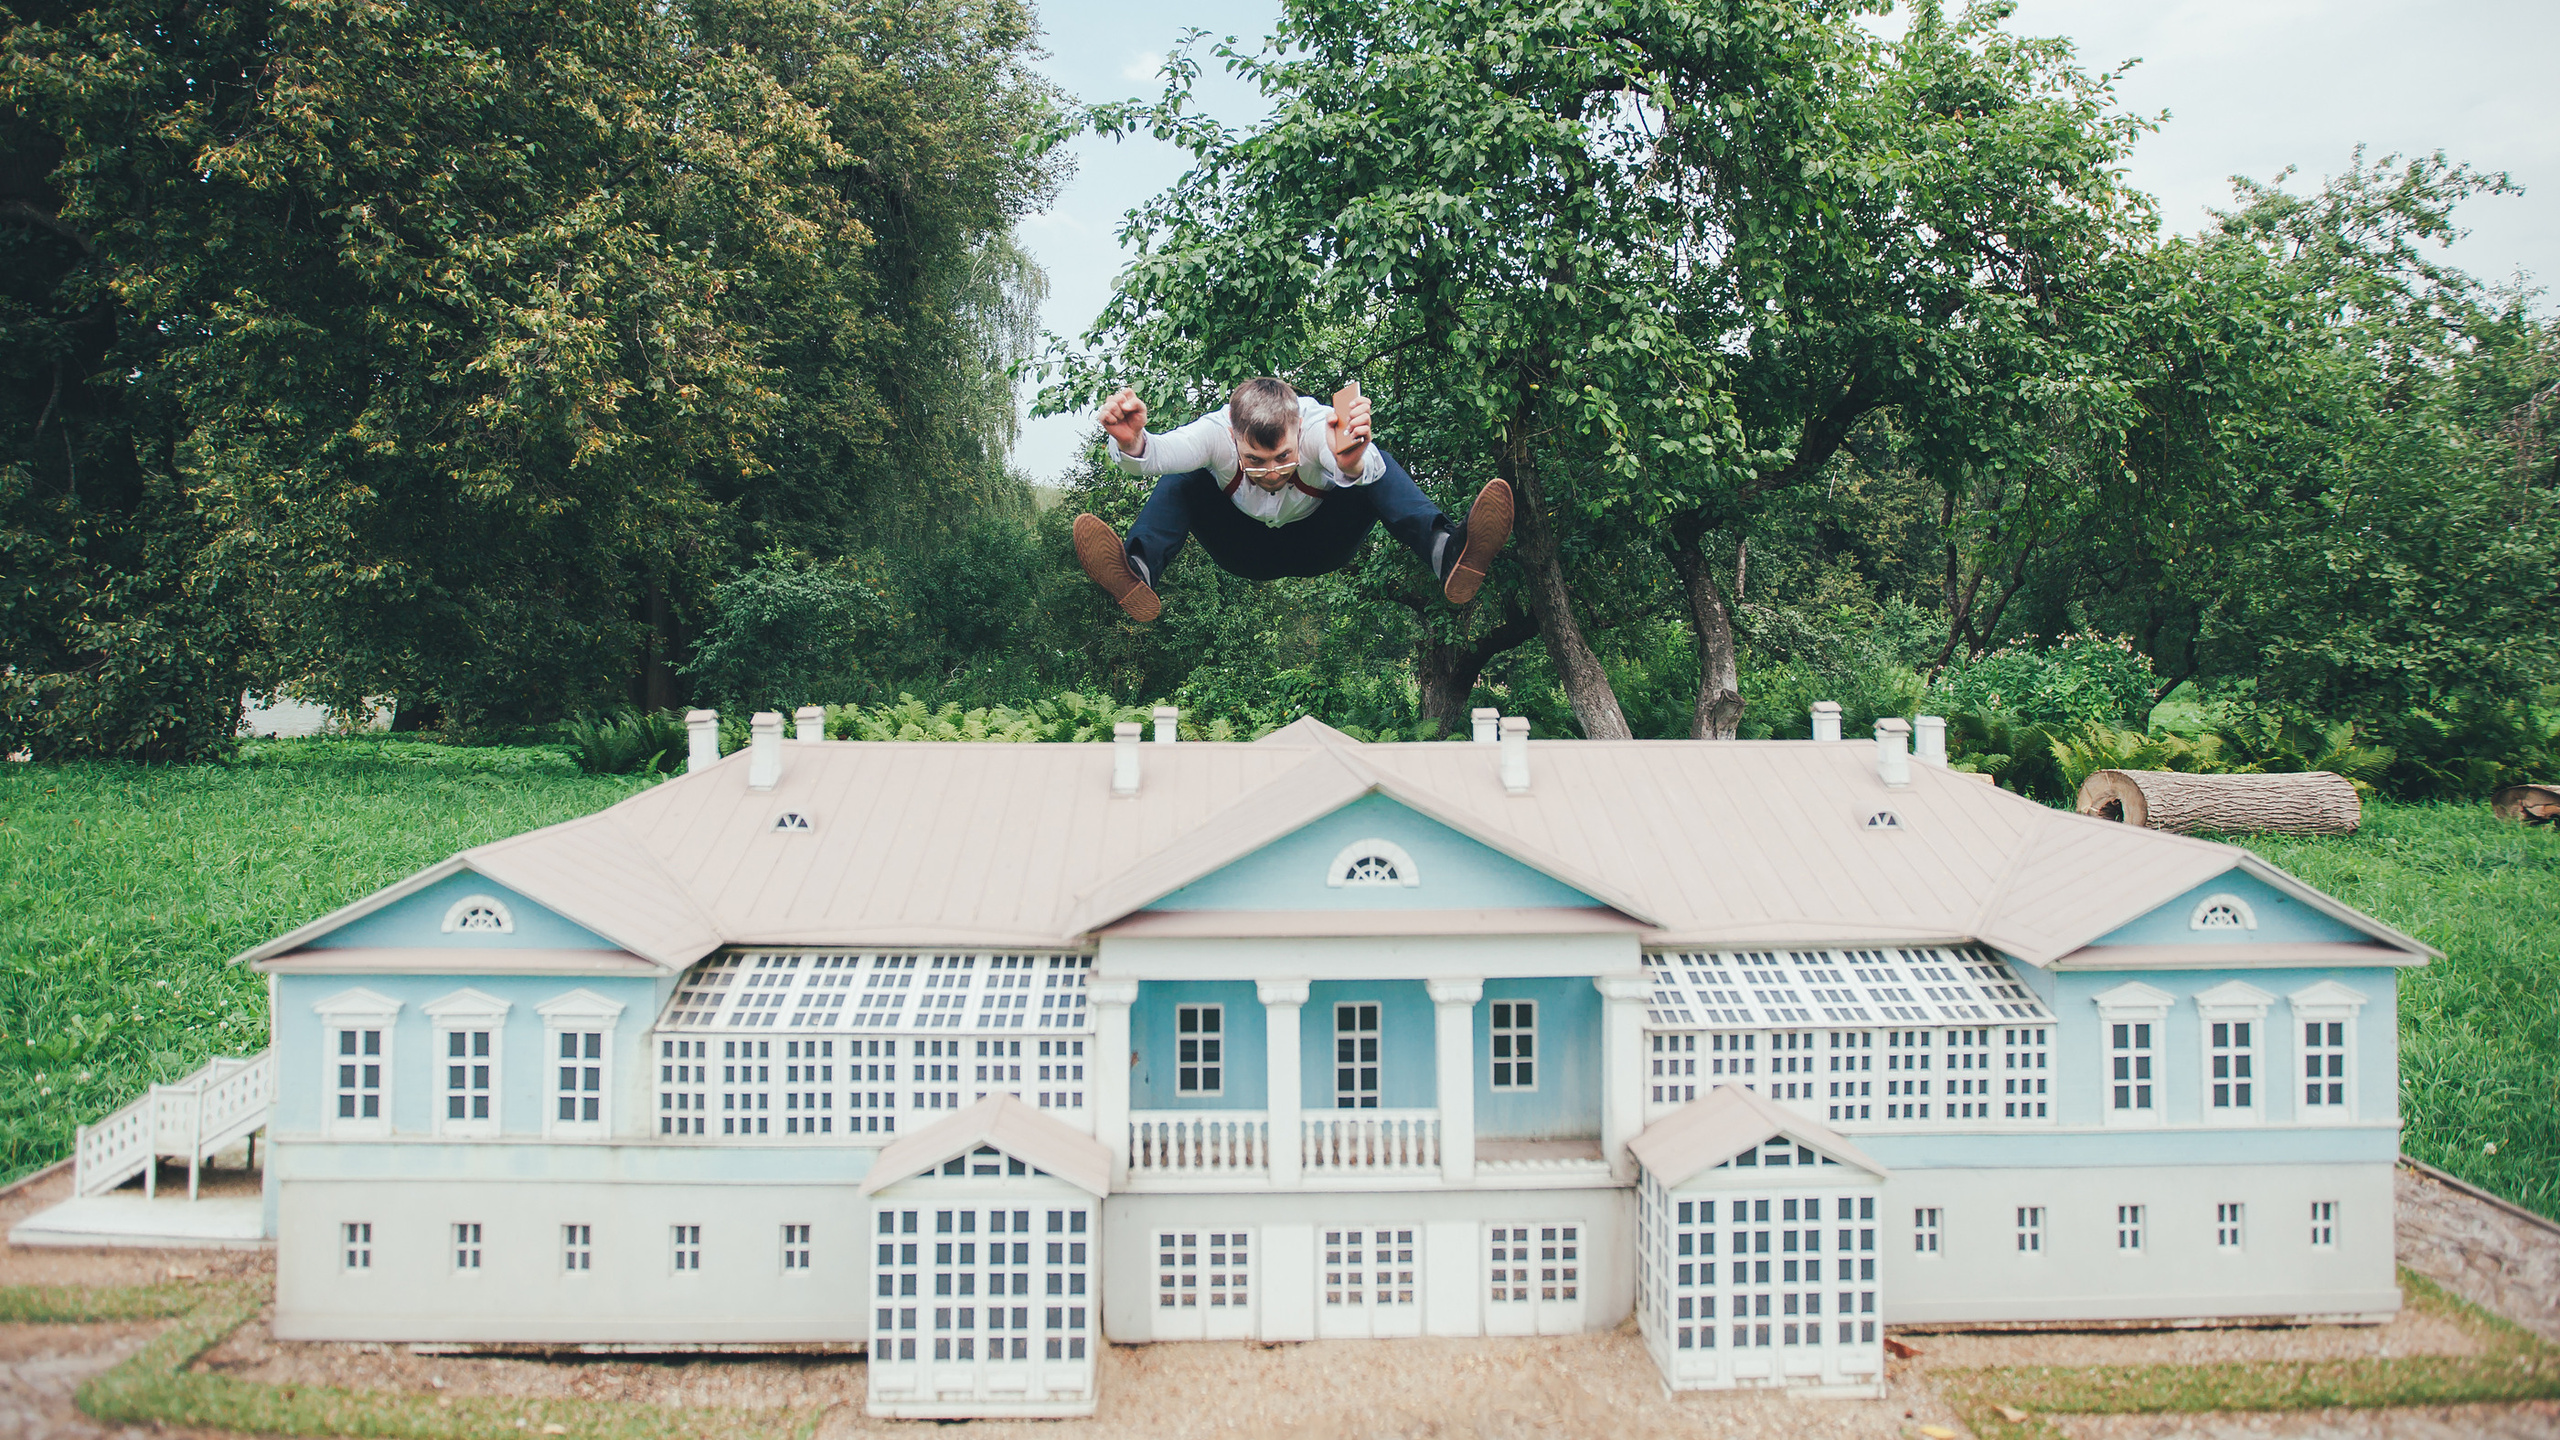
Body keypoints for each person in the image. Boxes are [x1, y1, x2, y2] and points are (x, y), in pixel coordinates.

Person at [1071, 376, 1512, 621]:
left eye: (1282, 456)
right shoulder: (1214, 435)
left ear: (1297, 432)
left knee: (1371, 466)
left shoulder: (1318, 425)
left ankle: (1445, 551)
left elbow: (1365, 467)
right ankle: (1139, 569)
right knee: (1185, 478)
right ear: (1233, 438)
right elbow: (1159, 456)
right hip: (1244, 549)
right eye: (1254, 461)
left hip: (1322, 543)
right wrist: (1132, 444)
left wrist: (1353, 463)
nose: (1271, 473)